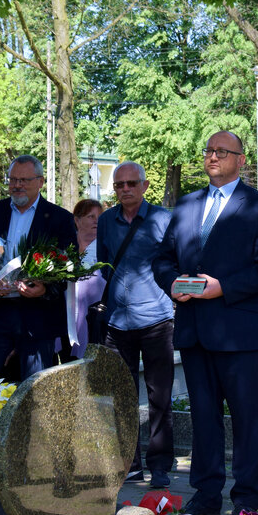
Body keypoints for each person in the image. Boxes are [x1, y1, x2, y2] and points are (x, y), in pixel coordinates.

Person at [153, 131, 258, 515]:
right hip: (195, 331)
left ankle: (246, 499)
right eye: (209, 150)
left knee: (247, 420)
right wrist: (172, 283)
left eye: (221, 152)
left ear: (241, 160)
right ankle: (206, 493)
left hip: (242, 334)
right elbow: (163, 259)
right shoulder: (186, 204)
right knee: (203, 418)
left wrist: (222, 289)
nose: (212, 156)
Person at [0, 155, 78, 413]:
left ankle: (35, 451)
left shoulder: (59, 218)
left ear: (40, 182)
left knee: (37, 393)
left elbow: (71, 268)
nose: (17, 185)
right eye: (12, 180)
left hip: (37, 318)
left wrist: (45, 288)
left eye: (24, 180)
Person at [98, 162, 175, 488]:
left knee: (160, 398)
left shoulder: (162, 219)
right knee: (121, 398)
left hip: (156, 320)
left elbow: (175, 261)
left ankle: (160, 466)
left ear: (144, 186)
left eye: (131, 183)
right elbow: (104, 265)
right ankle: (129, 463)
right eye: (119, 185)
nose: (125, 189)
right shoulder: (105, 221)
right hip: (117, 322)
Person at [67, 198, 105, 360]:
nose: (96, 221)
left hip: (95, 319)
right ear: (77, 220)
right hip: (66, 317)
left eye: (99, 216)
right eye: (91, 216)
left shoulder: (105, 246)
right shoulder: (65, 245)